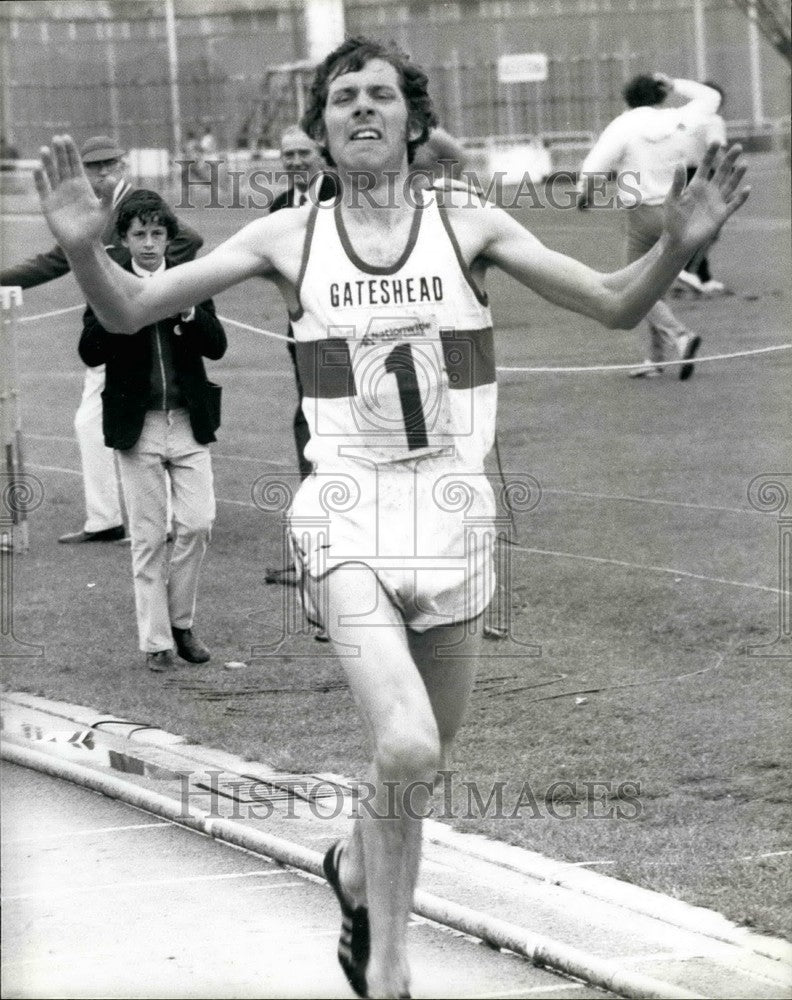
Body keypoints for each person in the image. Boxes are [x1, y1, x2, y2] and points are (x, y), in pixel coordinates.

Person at [34, 36, 748, 999]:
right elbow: (127, 311)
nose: (361, 109)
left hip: (456, 518)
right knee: (406, 745)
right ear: (321, 130)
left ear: (413, 118)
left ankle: (356, 870)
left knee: (417, 761)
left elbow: (619, 307)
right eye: (341, 99)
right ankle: (389, 966)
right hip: (347, 514)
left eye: (380, 95)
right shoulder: (289, 238)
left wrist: (675, 247)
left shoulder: (471, 223)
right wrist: (84, 248)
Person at [0, 134, 203, 543]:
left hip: (149, 327)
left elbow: (189, 239)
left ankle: (161, 522)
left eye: (110, 165)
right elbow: (54, 262)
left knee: (150, 423)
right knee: (90, 425)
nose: (103, 173)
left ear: (123, 165)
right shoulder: (87, 212)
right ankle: (105, 520)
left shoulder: (140, 202)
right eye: (94, 167)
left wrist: (138, 279)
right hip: (109, 331)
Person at [78, 190, 226, 672]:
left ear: (169, 237)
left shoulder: (189, 282)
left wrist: (185, 309)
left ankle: (181, 622)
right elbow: (89, 351)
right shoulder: (108, 284)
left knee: (198, 523)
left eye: (157, 233)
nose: (148, 243)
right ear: (123, 239)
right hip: (136, 426)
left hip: (187, 421)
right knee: (147, 537)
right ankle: (157, 641)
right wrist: (116, 309)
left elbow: (217, 345)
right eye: (138, 234)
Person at [576, 73, 723, 379]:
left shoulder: (624, 125)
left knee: (636, 287)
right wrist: (674, 83)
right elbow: (712, 98)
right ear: (660, 96)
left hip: (643, 213)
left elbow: (593, 169)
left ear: (627, 99)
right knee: (654, 285)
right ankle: (656, 359)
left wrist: (585, 197)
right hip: (683, 212)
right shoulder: (680, 117)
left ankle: (679, 335)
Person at [265, 126, 340, 587]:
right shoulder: (279, 206)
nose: (295, 162)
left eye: (303, 153)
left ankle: (344, 552)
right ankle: (315, 552)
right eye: (287, 155)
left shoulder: (345, 194)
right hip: (302, 334)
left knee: (338, 430)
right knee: (308, 425)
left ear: (322, 154)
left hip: (346, 335)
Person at [677, 81, 728, 295]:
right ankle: (688, 270)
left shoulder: (684, 117)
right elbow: (715, 149)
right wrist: (727, 172)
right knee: (710, 229)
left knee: (693, 226)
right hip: (702, 173)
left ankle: (703, 278)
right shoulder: (713, 119)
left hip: (679, 175)